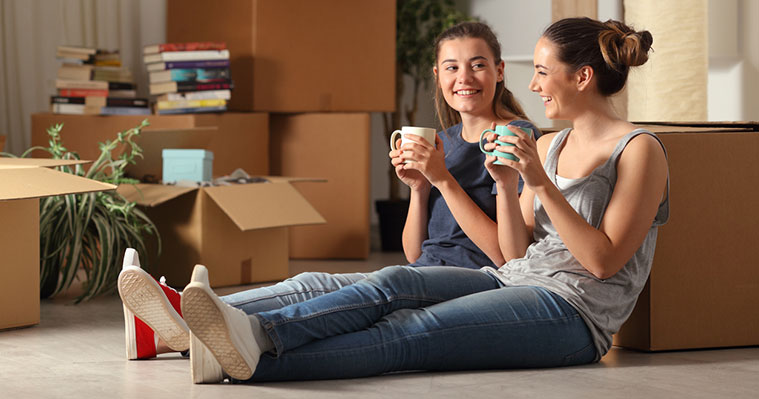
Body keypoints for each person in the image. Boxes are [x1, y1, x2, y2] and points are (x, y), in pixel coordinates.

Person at [177, 16, 669, 383]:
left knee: (410, 333)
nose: (534, 84)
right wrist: (503, 182)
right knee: (392, 281)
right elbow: (515, 255)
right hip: (509, 280)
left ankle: (246, 355)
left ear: (581, 77)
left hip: (575, 315)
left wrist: (538, 184)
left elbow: (604, 262)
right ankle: (246, 333)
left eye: (543, 72)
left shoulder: (639, 150)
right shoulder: (551, 144)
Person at [116, 21, 540, 373]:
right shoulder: (443, 141)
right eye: (451, 67)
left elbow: (508, 259)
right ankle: (172, 316)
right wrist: (419, 188)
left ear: (500, 71)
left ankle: (240, 330)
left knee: (386, 282)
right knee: (314, 282)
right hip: (428, 272)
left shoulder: (516, 138)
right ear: (437, 76)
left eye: (478, 65)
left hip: (480, 282)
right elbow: (416, 253)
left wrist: (443, 180)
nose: (463, 78)